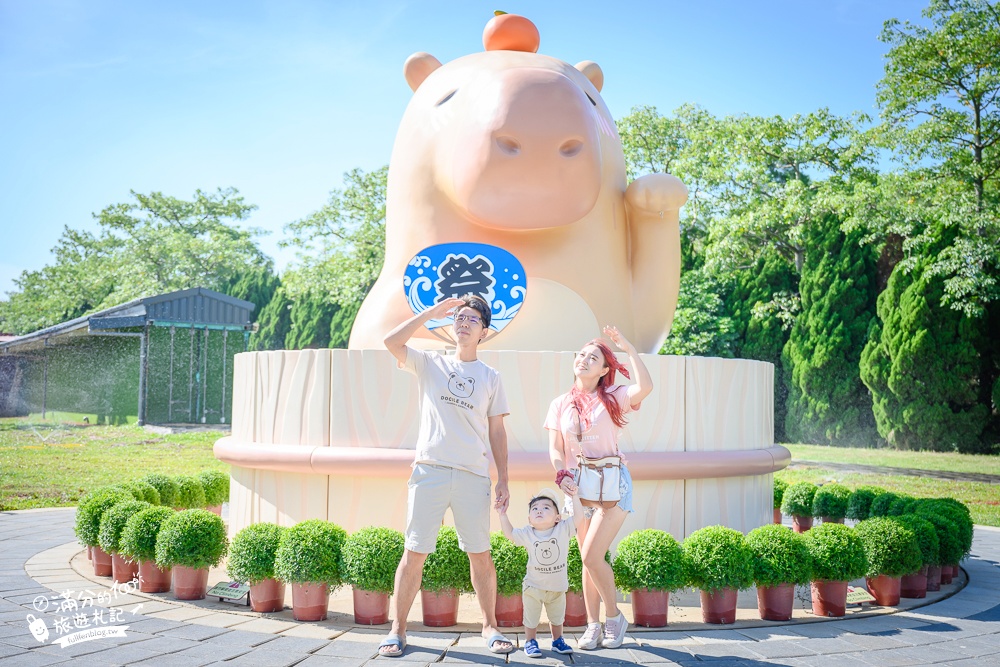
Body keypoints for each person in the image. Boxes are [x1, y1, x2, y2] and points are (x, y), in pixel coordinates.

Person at [379, 295, 515, 657]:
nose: (463, 322)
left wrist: (503, 478)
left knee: (481, 554)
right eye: (458, 317)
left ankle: (490, 626)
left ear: (484, 332)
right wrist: (430, 313)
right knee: (414, 551)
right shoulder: (429, 363)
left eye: (472, 319)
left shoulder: (491, 377)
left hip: (473, 475)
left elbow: (497, 431)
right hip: (430, 470)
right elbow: (391, 342)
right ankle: (398, 630)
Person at [545, 325, 652, 650]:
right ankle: (593, 627)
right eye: (581, 355)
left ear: (604, 369)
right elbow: (555, 446)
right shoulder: (561, 403)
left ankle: (613, 617)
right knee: (587, 558)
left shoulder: (615, 395)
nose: (584, 360)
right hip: (578, 488)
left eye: (593, 357)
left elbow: (645, 386)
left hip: (612, 485)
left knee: (592, 556)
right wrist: (561, 472)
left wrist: (629, 347)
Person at [497, 488, 583, 658]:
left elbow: (579, 518)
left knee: (557, 618)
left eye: (546, 507)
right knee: (531, 618)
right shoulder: (528, 533)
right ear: (529, 519)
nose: (539, 510)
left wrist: (574, 496)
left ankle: (557, 640)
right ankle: (530, 641)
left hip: (557, 588)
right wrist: (502, 514)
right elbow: (510, 534)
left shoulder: (563, 529)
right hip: (533, 587)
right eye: (535, 508)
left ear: (558, 517)